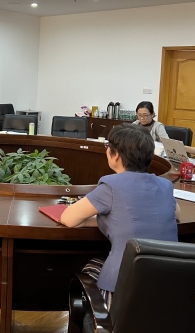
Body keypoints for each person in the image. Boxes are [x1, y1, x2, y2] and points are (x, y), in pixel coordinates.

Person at [60, 123, 180, 308]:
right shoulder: (165, 185)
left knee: (91, 266)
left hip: (124, 289)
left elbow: (68, 219)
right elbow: (175, 213)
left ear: (115, 155)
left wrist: (103, 218)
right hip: (166, 285)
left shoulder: (110, 185)